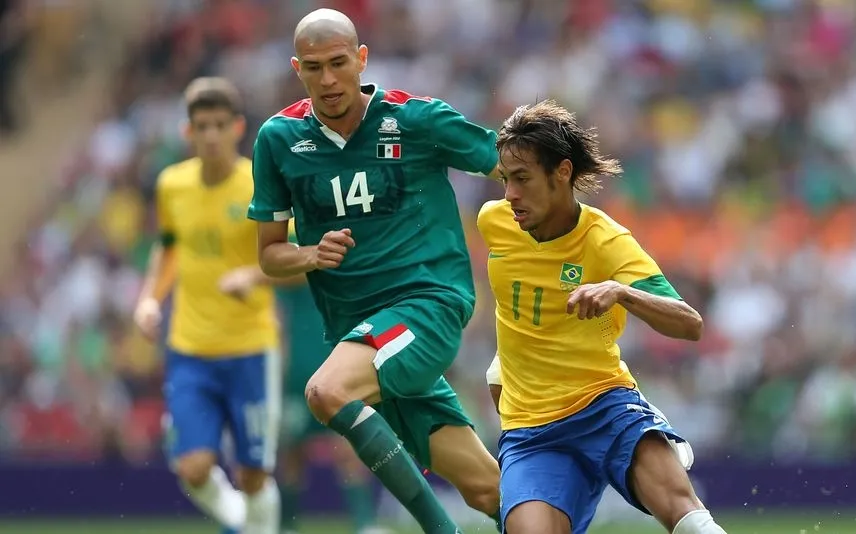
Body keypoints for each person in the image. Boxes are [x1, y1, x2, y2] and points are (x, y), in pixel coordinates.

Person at [247, 8, 501, 534]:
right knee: (487, 489)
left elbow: (508, 164)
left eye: (338, 63)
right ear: (298, 69)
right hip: (359, 335)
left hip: (426, 304)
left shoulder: (417, 120)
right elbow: (271, 253)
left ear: (361, 58)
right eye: (313, 68)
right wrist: (309, 254)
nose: (328, 79)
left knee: (326, 392)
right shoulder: (278, 140)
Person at [478, 100, 727, 534]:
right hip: (533, 432)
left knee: (691, 523)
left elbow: (689, 323)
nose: (510, 195)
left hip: (605, 407)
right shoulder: (493, 222)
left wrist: (621, 291)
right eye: (505, 180)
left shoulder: (606, 239)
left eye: (522, 179)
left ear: (562, 173)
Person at [134, 77, 282, 534]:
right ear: (188, 132)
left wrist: (252, 275)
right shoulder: (172, 185)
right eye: (203, 126)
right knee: (193, 468)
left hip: (251, 348)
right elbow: (169, 248)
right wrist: (149, 300)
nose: (212, 135)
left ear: (238, 128)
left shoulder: (260, 183)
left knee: (253, 474)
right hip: (189, 349)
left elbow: (300, 260)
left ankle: (254, 525)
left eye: (221, 125)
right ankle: (251, 527)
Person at [276, 222, 388, 534]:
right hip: (297, 361)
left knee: (350, 444)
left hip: (336, 351)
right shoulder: (290, 237)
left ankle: (365, 523)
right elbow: (276, 276)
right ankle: (287, 525)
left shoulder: (344, 229)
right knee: (293, 451)